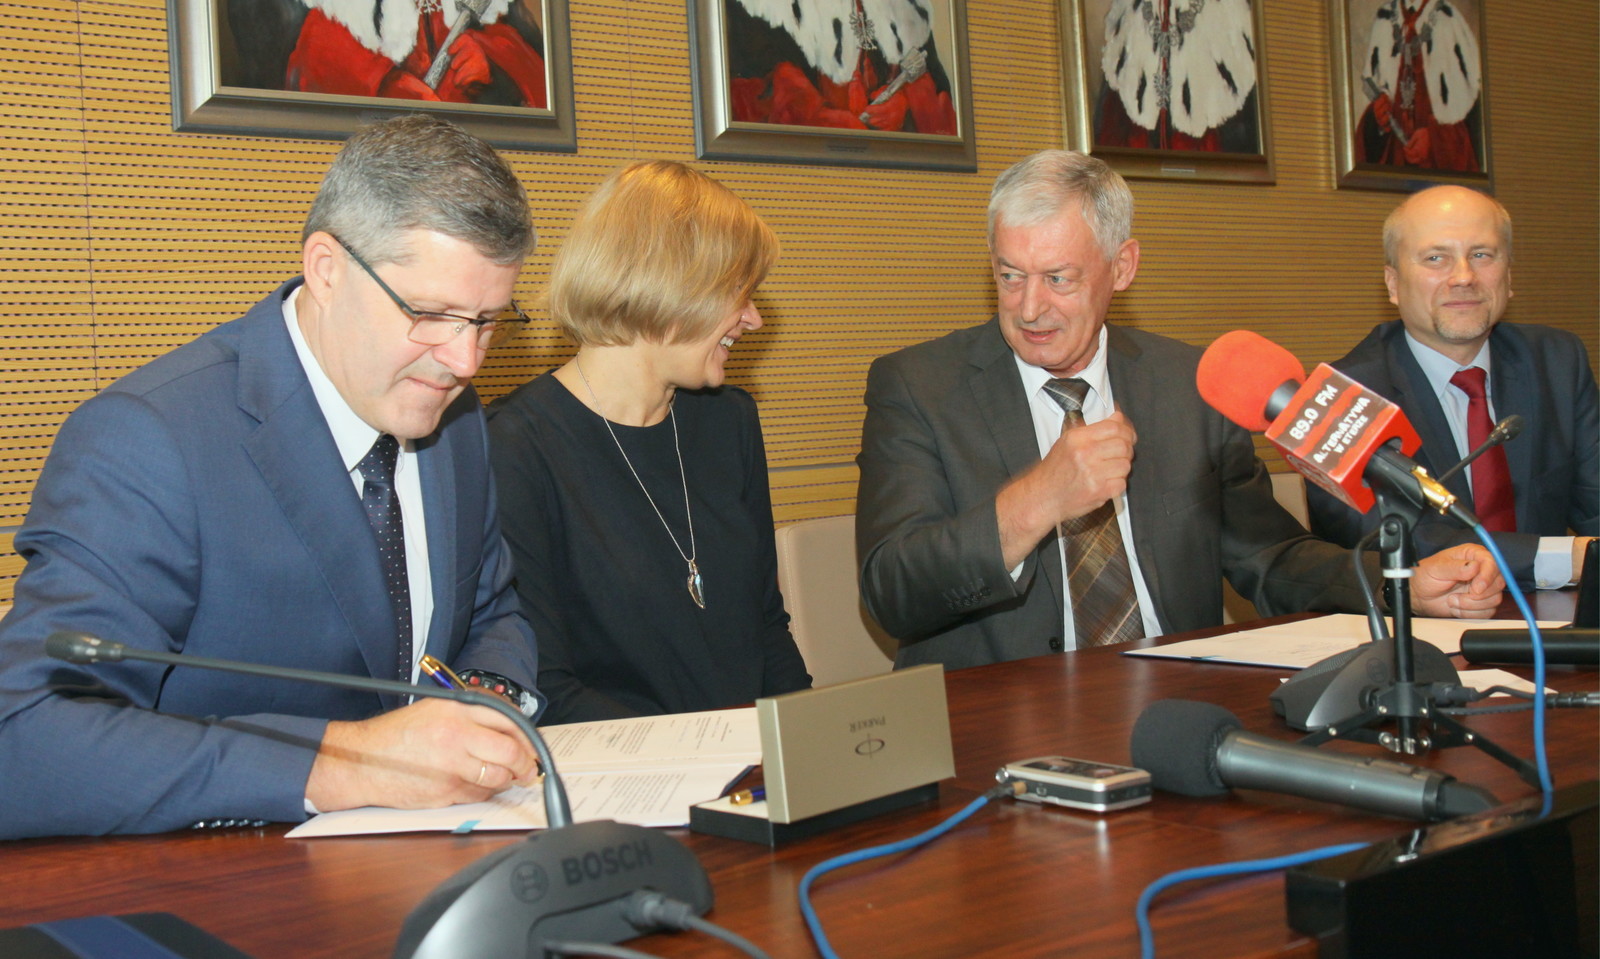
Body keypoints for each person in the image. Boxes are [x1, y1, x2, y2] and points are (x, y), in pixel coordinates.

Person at [0, 115, 541, 839]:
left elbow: (490, 612)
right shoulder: (150, 438)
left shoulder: (454, 414)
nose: (465, 360)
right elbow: (23, 738)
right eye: (432, 314)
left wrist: (481, 702)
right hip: (218, 880)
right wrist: (341, 765)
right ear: (327, 268)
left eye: (487, 321)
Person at [855, 150, 1504, 671]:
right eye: (1009, 275)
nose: (1029, 308)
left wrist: (1400, 583)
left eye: (1058, 278)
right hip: (1002, 724)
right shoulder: (919, 386)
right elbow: (891, 593)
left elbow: (1270, 559)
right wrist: (1038, 500)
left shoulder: (1191, 385)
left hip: (1174, 711)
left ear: (1122, 267)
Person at [487, 160, 811, 724]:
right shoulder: (513, 447)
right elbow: (546, 687)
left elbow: (766, 625)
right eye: (739, 294)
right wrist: (705, 754)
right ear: (671, 287)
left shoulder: (730, 421)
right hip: (620, 768)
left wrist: (812, 740)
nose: (754, 319)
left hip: (749, 761)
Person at [1306, 185, 1598, 589]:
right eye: (1435, 258)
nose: (1463, 277)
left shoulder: (1557, 361)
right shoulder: (1342, 398)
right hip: (1419, 622)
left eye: (1482, 255)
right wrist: (1566, 558)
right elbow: (1394, 540)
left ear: (1508, 276)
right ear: (1393, 284)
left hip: (1557, 614)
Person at [1352, 0, 1481, 172]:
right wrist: (1376, 121)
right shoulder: (1384, 20)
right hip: (1394, 170)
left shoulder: (1448, 20)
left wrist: (1435, 139)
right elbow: (1364, 151)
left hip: (1438, 175)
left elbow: (1475, 124)